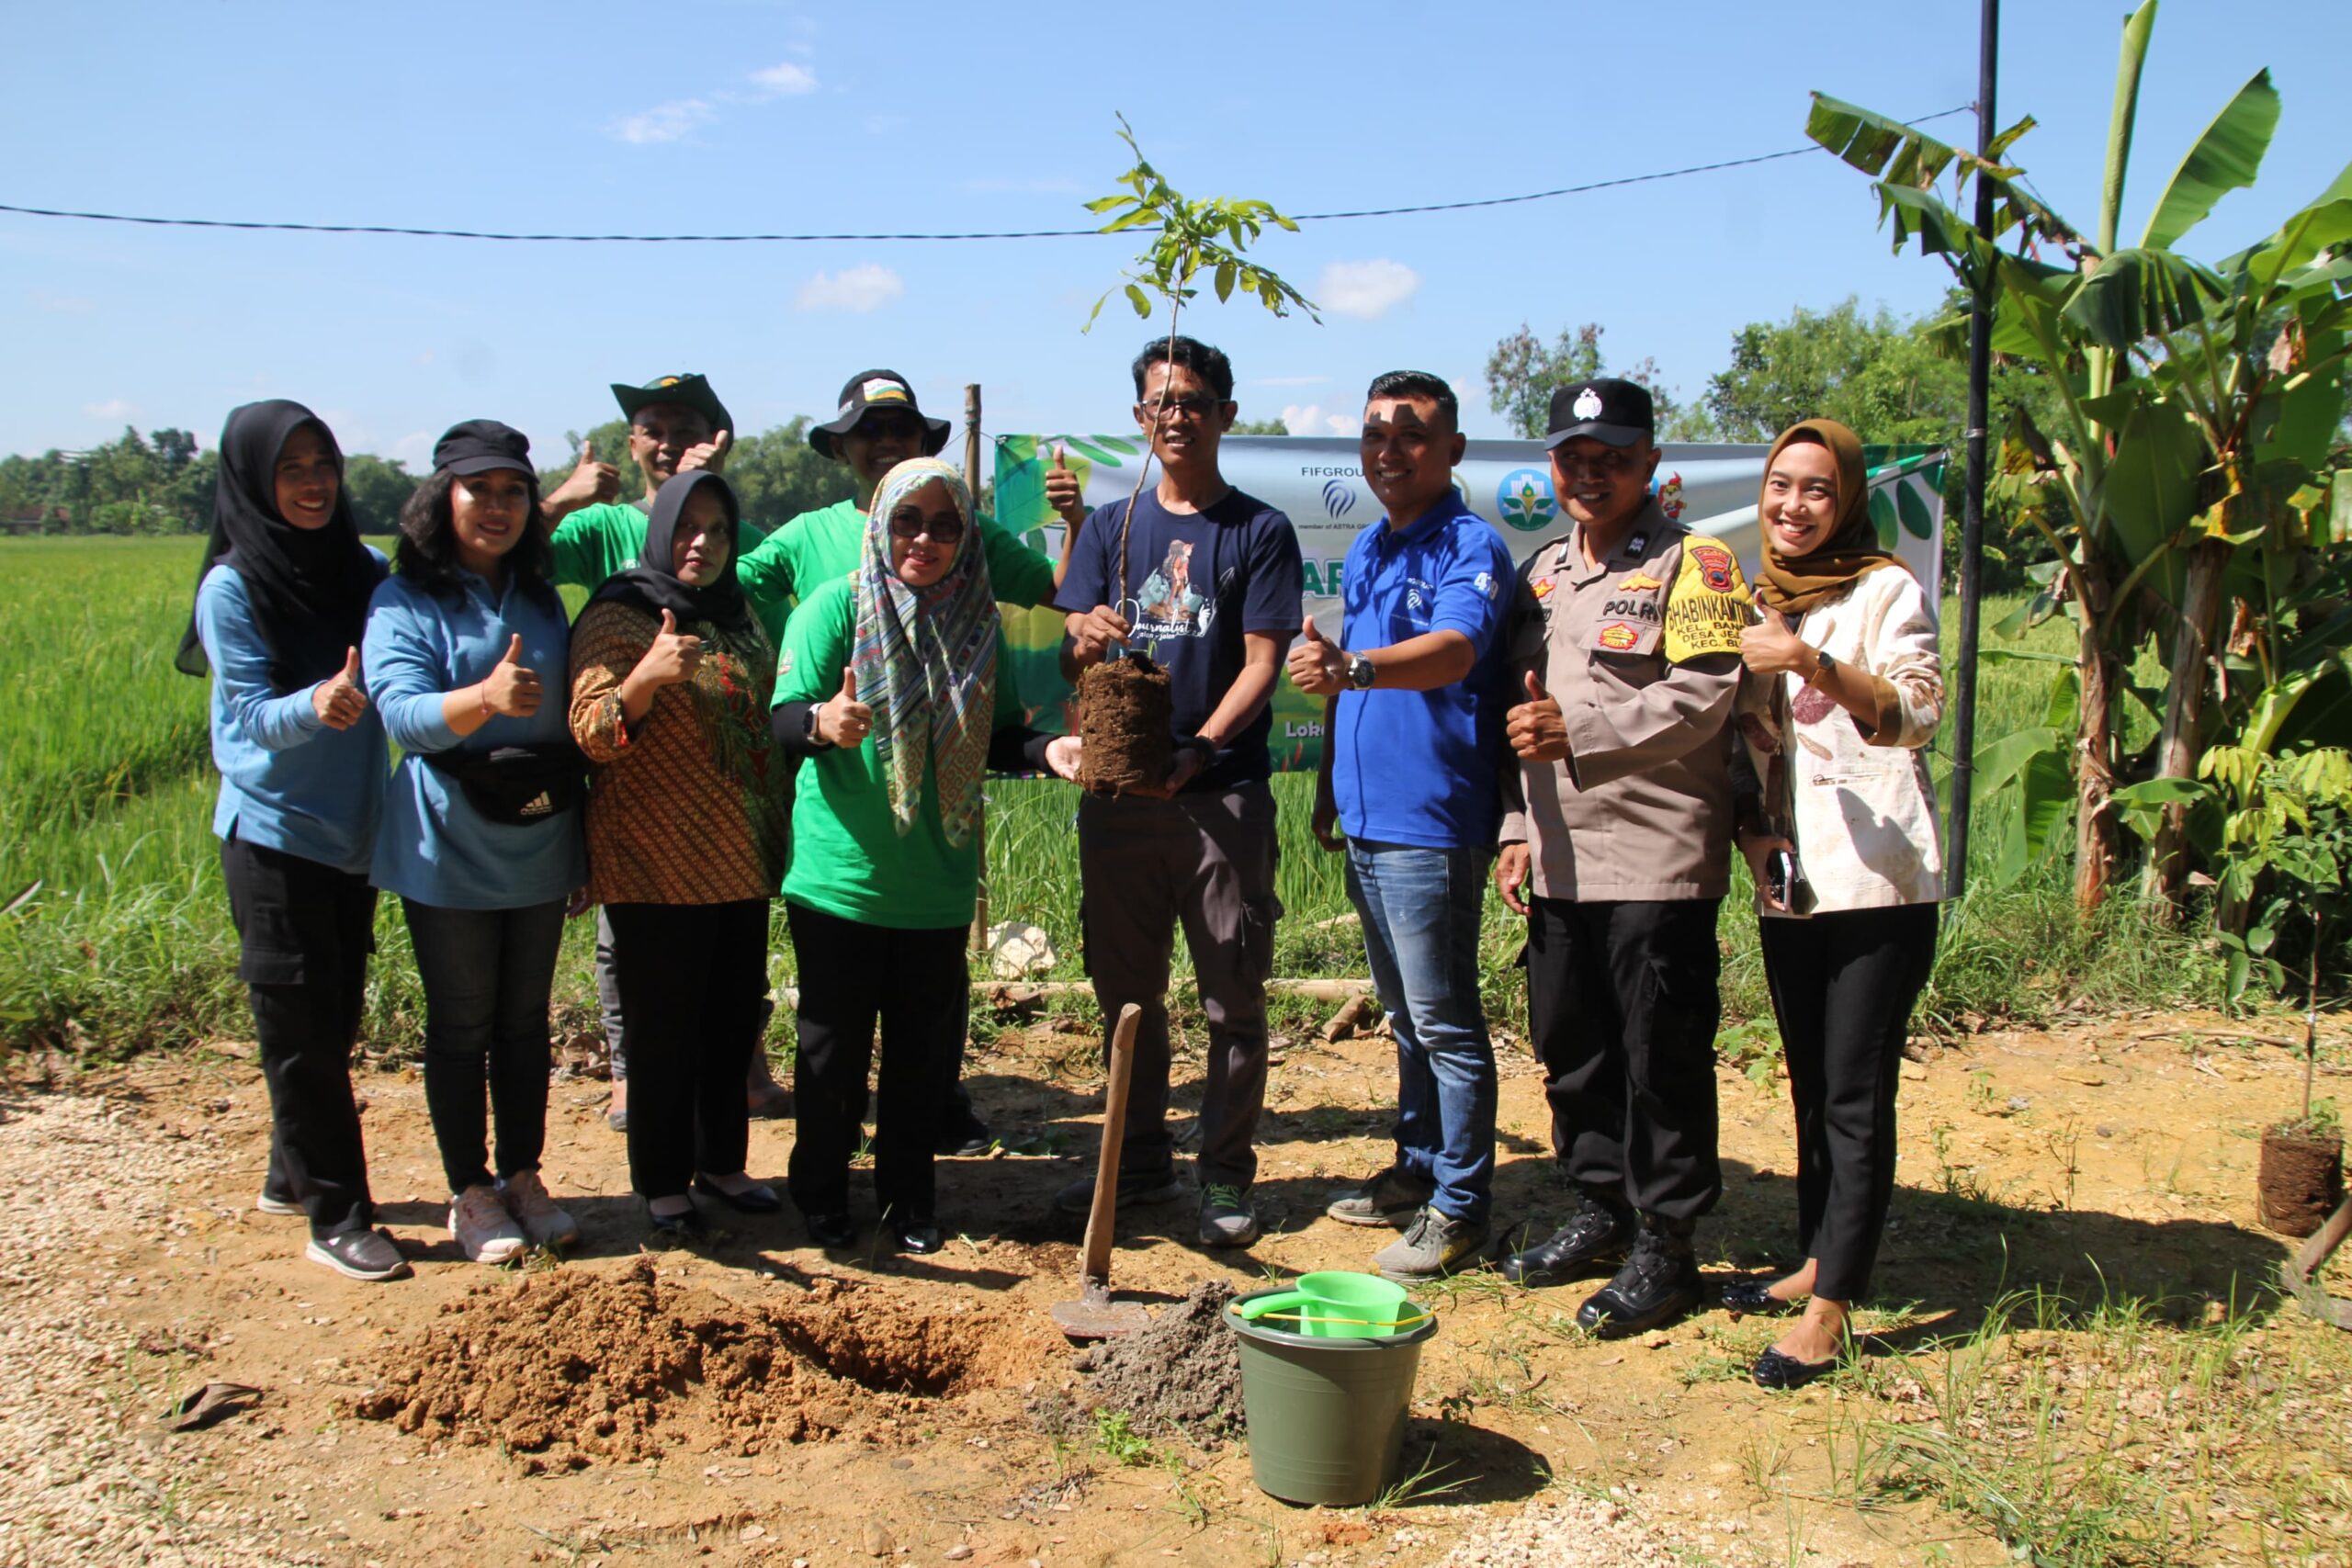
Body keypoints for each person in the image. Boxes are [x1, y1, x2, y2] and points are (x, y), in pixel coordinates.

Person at [733, 368, 1085, 1157]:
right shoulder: (824, 581)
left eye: (943, 527)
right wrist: (819, 719)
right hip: (847, 852)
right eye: (869, 431)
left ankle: (911, 1185)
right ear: (844, 450)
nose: (924, 539)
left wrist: (1050, 748)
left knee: (924, 1041)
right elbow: (735, 603)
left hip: (935, 864)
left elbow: (1041, 632)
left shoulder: (973, 611)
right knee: (834, 1043)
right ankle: (825, 1193)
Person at [1493, 378, 1751, 1337]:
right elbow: (1519, 710)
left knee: (1660, 1058)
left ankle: (1668, 1247)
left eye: (1613, 458)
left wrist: (1584, 733)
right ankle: (1599, 1208)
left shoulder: (1700, 566)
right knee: (1572, 1048)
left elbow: (1708, 694)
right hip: (1560, 858)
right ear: (1552, 466)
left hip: (1656, 855)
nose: (1591, 474)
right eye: (1574, 458)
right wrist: (1516, 826)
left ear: (1651, 463)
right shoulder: (1543, 572)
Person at [1054, 334, 1304, 1249]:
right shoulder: (1111, 529)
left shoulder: (1258, 530)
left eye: (1194, 401)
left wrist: (1200, 748)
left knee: (1231, 996)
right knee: (1126, 994)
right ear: (1139, 417)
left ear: (1225, 415)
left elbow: (1262, 663)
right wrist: (1082, 637)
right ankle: (1137, 1161)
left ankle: (1225, 1174)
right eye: (1161, 401)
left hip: (1218, 796)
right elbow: (1071, 658)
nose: (1176, 416)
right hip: (1119, 803)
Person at [1725, 419, 1945, 1388]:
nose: (1794, 505)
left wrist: (1809, 662)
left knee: (1855, 1097)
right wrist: (1751, 832)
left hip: (1876, 882)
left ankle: (1831, 1310)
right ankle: (1818, 1255)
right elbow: (1743, 741)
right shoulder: (1759, 599)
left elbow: (1917, 711)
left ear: (1847, 498)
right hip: (1792, 885)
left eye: (1817, 488)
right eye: (1781, 485)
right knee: (1811, 1085)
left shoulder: (1884, 589)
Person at [1292, 371, 1514, 1281]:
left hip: (1432, 823)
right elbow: (1346, 679)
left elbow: (1455, 650)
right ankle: (1417, 1169)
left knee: (1445, 1023)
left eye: (1411, 434)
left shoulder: (1470, 545)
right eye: (1375, 433)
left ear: (1451, 449)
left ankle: (1459, 1208)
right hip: (1368, 819)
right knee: (1404, 1017)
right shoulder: (1369, 548)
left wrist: (1356, 669)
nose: (1389, 450)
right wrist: (1328, 789)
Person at [181, 400, 408, 1282]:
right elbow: (243, 717)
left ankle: (290, 1171)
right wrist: (315, 703)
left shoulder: (367, 570)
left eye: (323, 465)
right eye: (290, 468)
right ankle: (336, 1214)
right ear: (251, 480)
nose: (313, 483)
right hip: (272, 834)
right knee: (300, 1024)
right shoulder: (232, 587)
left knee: (335, 1013)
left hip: (352, 831)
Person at [365, 421, 586, 1266]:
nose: (497, 506)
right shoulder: (403, 599)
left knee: (524, 1020)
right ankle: (470, 1190)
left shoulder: (540, 595)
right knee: (461, 1023)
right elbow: (402, 715)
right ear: (442, 497)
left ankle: (523, 1176)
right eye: (479, 490)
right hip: (446, 844)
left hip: (539, 836)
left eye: (513, 491)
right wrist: (484, 698)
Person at [538, 373, 784, 1130]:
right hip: (645, 826)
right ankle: (632, 1083)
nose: (669, 442)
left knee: (728, 978)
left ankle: (728, 1109)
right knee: (642, 972)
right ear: (632, 441)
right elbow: (514, 555)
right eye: (655, 428)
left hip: (727, 834)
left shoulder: (737, 571)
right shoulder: (603, 537)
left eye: (687, 428)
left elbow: (761, 684)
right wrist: (562, 498)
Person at [569, 469, 790, 1242]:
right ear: (661, 530)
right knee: (664, 1031)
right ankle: (662, 1182)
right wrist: (645, 678)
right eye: (688, 527)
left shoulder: (739, 611)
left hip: (737, 854)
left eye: (719, 529)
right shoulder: (621, 610)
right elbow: (590, 730)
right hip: (654, 860)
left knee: (731, 1021)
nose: (704, 542)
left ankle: (722, 1165)